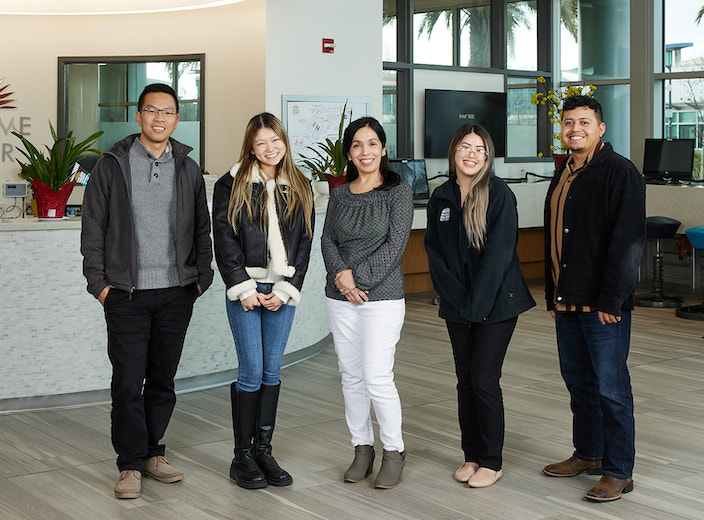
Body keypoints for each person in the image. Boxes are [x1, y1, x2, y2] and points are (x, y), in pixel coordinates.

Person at [81, 83, 213, 499]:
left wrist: (200, 278)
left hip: (176, 292)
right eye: (152, 111)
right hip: (126, 294)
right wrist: (100, 286)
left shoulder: (188, 168)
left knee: (162, 380)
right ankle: (129, 464)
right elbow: (93, 228)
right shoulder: (112, 164)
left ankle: (154, 452)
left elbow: (203, 227)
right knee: (127, 382)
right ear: (138, 116)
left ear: (177, 118)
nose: (160, 118)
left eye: (169, 111)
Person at [541, 95, 646, 502]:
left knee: (611, 389)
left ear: (601, 128)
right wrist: (552, 295)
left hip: (602, 307)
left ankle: (619, 470)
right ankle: (588, 453)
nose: (574, 129)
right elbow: (557, 237)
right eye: (568, 123)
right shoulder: (564, 170)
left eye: (583, 122)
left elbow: (628, 242)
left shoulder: (619, 172)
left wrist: (611, 301)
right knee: (578, 384)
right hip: (567, 302)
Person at [424, 124, 535, 489]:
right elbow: (435, 254)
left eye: (479, 149)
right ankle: (471, 455)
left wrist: (476, 306)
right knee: (465, 382)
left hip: (497, 306)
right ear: (453, 152)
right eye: (464, 148)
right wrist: (457, 299)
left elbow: (500, 255)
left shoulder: (499, 194)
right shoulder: (441, 196)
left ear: (487, 156)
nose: (471, 155)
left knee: (484, 380)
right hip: (458, 307)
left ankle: (491, 460)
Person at [212, 112, 314, 490]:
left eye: (275, 141)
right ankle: (242, 456)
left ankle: (264, 450)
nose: (270, 149)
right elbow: (224, 239)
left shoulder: (299, 184)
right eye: (261, 143)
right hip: (247, 292)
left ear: (284, 141)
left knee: (272, 371)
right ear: (251, 148)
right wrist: (244, 288)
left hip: (280, 294)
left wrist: (285, 291)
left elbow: (304, 243)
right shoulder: (232, 183)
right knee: (251, 371)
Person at [321, 116, 414, 489]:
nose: (365, 151)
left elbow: (395, 246)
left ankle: (394, 451)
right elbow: (328, 239)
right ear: (349, 152)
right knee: (351, 377)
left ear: (384, 148)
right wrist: (343, 280)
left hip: (383, 298)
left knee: (377, 377)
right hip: (340, 298)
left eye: (372, 143)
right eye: (357, 145)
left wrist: (355, 279)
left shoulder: (398, 191)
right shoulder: (341, 193)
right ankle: (362, 448)